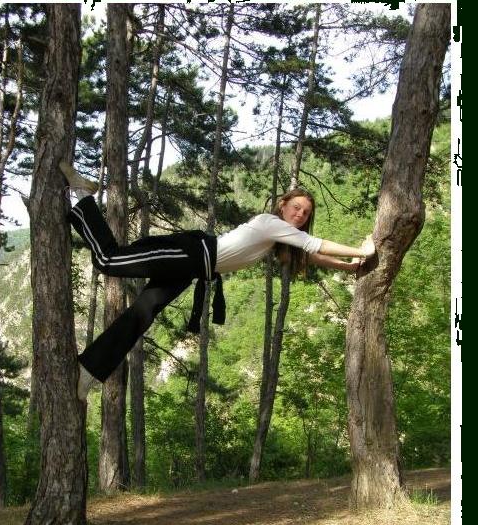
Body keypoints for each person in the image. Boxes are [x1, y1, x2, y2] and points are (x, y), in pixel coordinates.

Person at [59, 162, 375, 401]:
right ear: (283, 205)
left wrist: (349, 267)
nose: (300, 215)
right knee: (108, 260)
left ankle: (89, 370)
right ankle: (82, 193)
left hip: (194, 267)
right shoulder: (270, 223)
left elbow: (310, 256)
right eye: (297, 208)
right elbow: (315, 245)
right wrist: (361, 251)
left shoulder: (279, 237)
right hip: (191, 253)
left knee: (143, 311)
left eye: (305, 213)